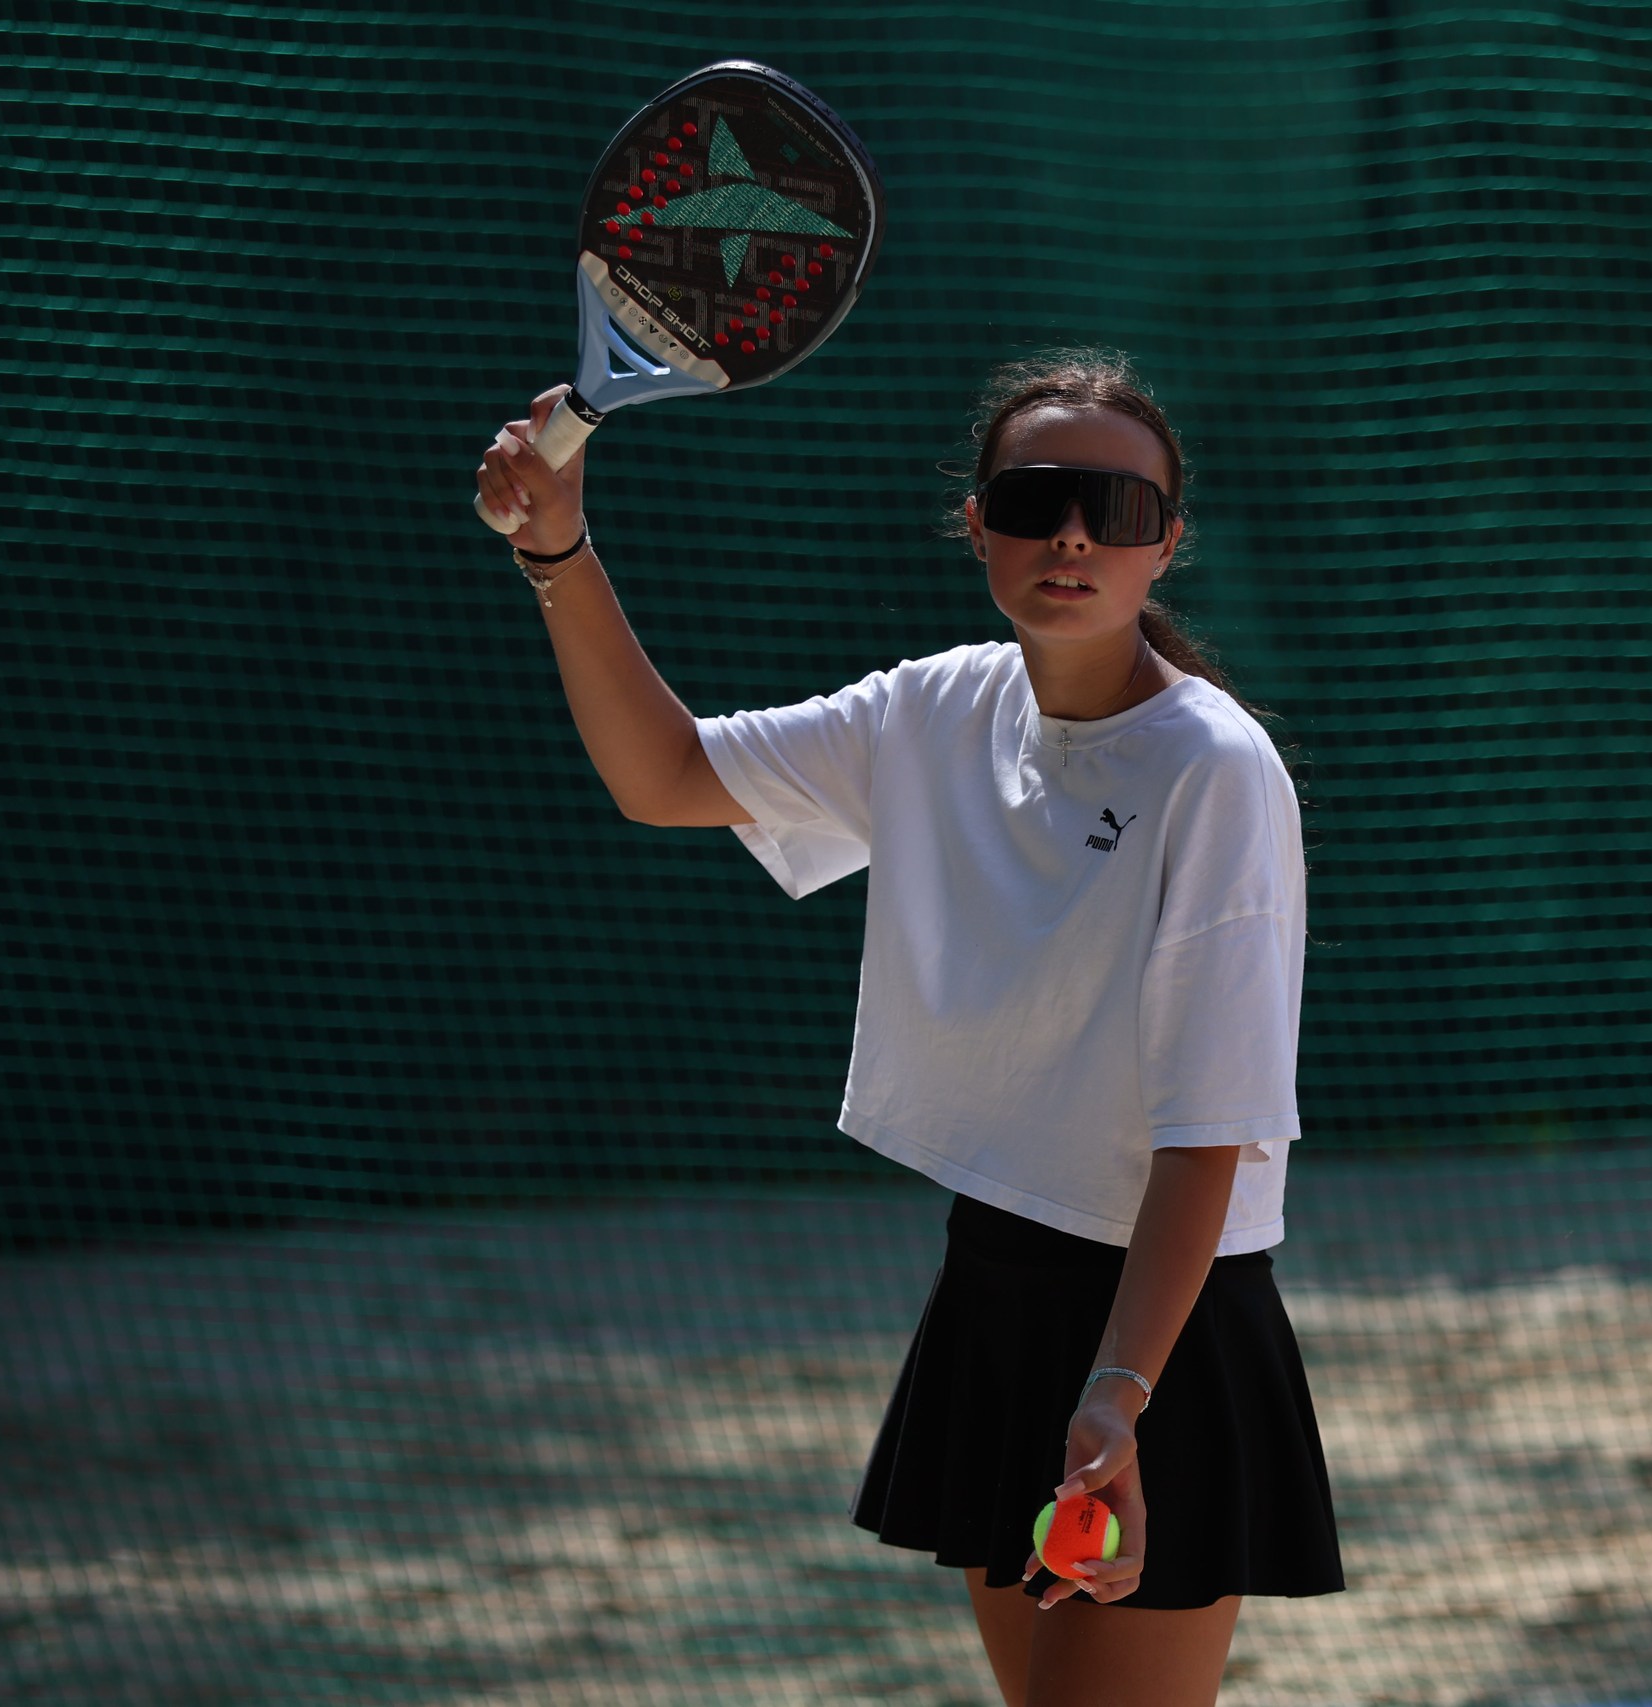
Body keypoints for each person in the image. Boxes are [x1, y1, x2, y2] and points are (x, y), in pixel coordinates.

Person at [472, 354, 1342, 1706]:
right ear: (978, 524)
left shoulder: (1215, 768)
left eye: (1116, 508)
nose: (1072, 534)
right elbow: (668, 774)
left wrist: (1119, 1391)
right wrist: (558, 551)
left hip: (1159, 1330)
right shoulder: (935, 707)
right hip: (994, 1290)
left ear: (1166, 542)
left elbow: (1207, 1135)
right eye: (1038, 499)